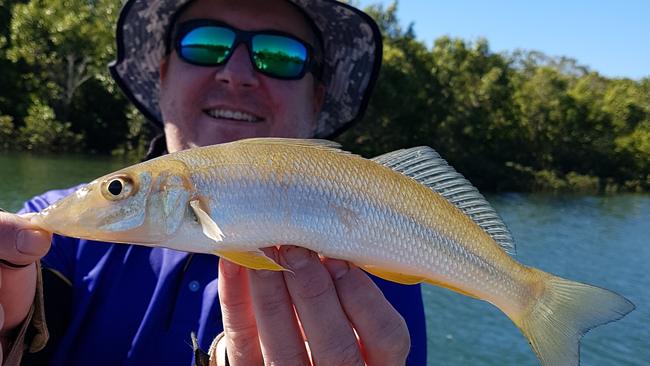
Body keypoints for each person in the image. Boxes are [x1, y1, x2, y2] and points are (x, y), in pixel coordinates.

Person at [0, 0, 427, 364]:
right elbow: (32, 298)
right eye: (205, 44)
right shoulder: (59, 231)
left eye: (279, 55)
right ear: (164, 73)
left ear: (316, 96)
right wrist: (14, 326)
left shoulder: (383, 259)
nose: (236, 73)